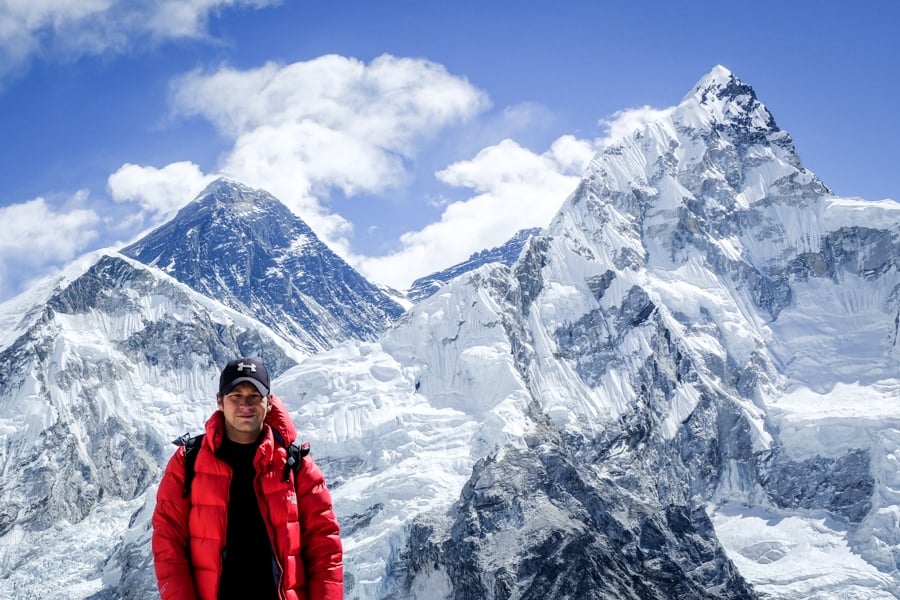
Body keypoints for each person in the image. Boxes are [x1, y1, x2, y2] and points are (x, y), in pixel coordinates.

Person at [151, 357, 343, 600]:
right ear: (220, 401)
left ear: (270, 402)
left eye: (255, 395)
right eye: (236, 396)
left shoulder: (296, 464)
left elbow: (325, 550)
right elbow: (168, 545)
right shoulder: (188, 461)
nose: (246, 404)